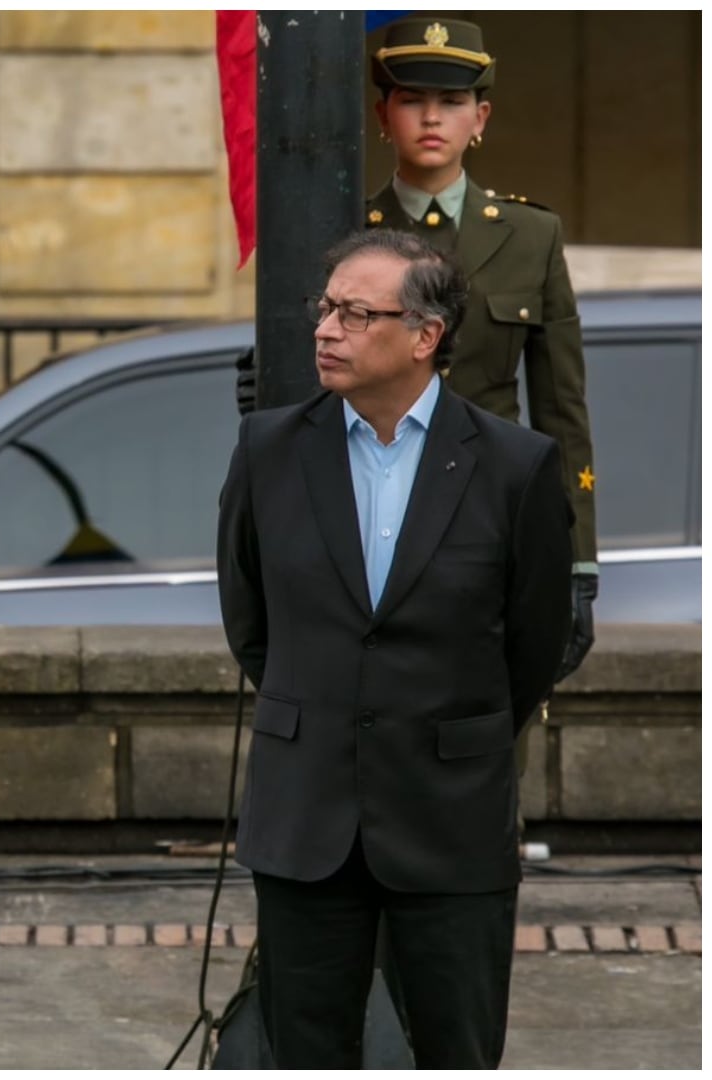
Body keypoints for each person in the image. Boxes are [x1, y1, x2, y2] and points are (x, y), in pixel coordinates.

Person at [215, 230, 571, 1068]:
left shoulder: (515, 466)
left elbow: (533, 641)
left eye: (355, 312)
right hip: (307, 820)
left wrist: (443, 729)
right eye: (325, 308)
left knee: (457, 1051)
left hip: (451, 818)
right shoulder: (269, 451)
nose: (325, 330)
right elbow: (251, 621)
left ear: (425, 336)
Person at [365, 16, 597, 681]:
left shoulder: (531, 236)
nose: (431, 118)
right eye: (412, 100)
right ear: (384, 114)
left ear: (481, 117)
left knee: (494, 735)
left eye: (453, 102)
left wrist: (578, 561)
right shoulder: (350, 229)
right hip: (375, 513)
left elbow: (562, 411)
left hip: (495, 516)